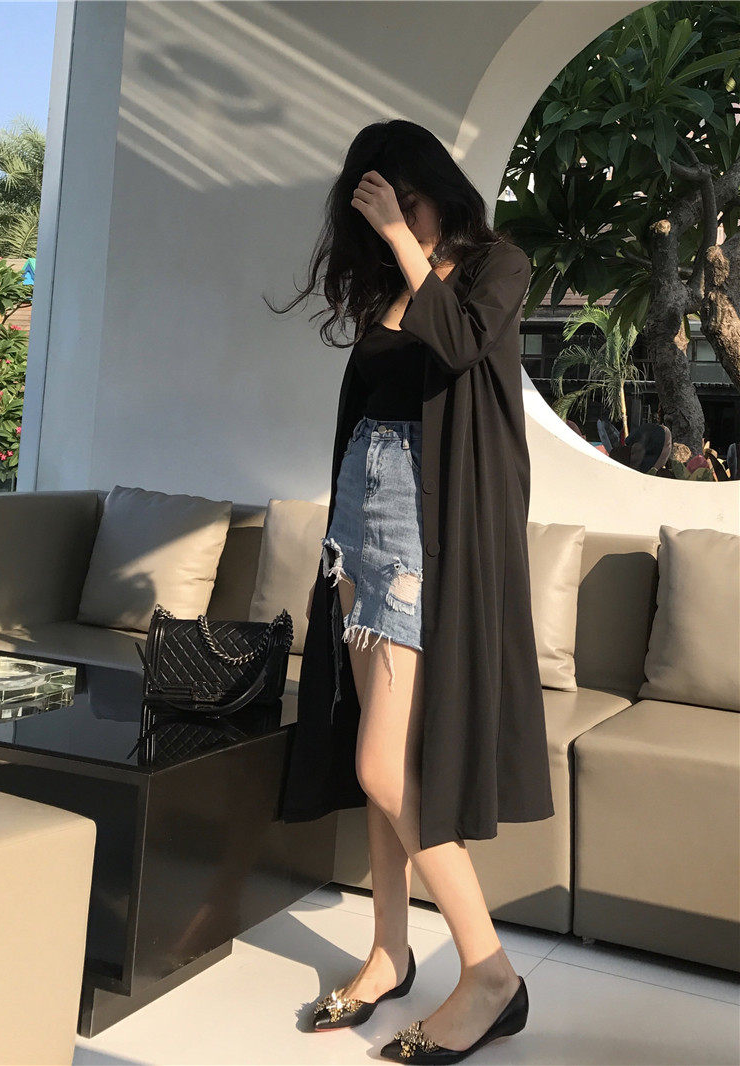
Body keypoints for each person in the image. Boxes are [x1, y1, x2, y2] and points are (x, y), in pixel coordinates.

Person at [269, 119, 553, 1063]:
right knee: (373, 743)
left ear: (431, 189)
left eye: (406, 200)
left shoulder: (496, 267)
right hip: (361, 520)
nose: (397, 219)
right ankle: (389, 951)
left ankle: (491, 974)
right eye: (379, 209)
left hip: (424, 530)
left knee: (384, 769)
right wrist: (393, 248)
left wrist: (399, 235)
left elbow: (462, 347)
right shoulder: (393, 286)